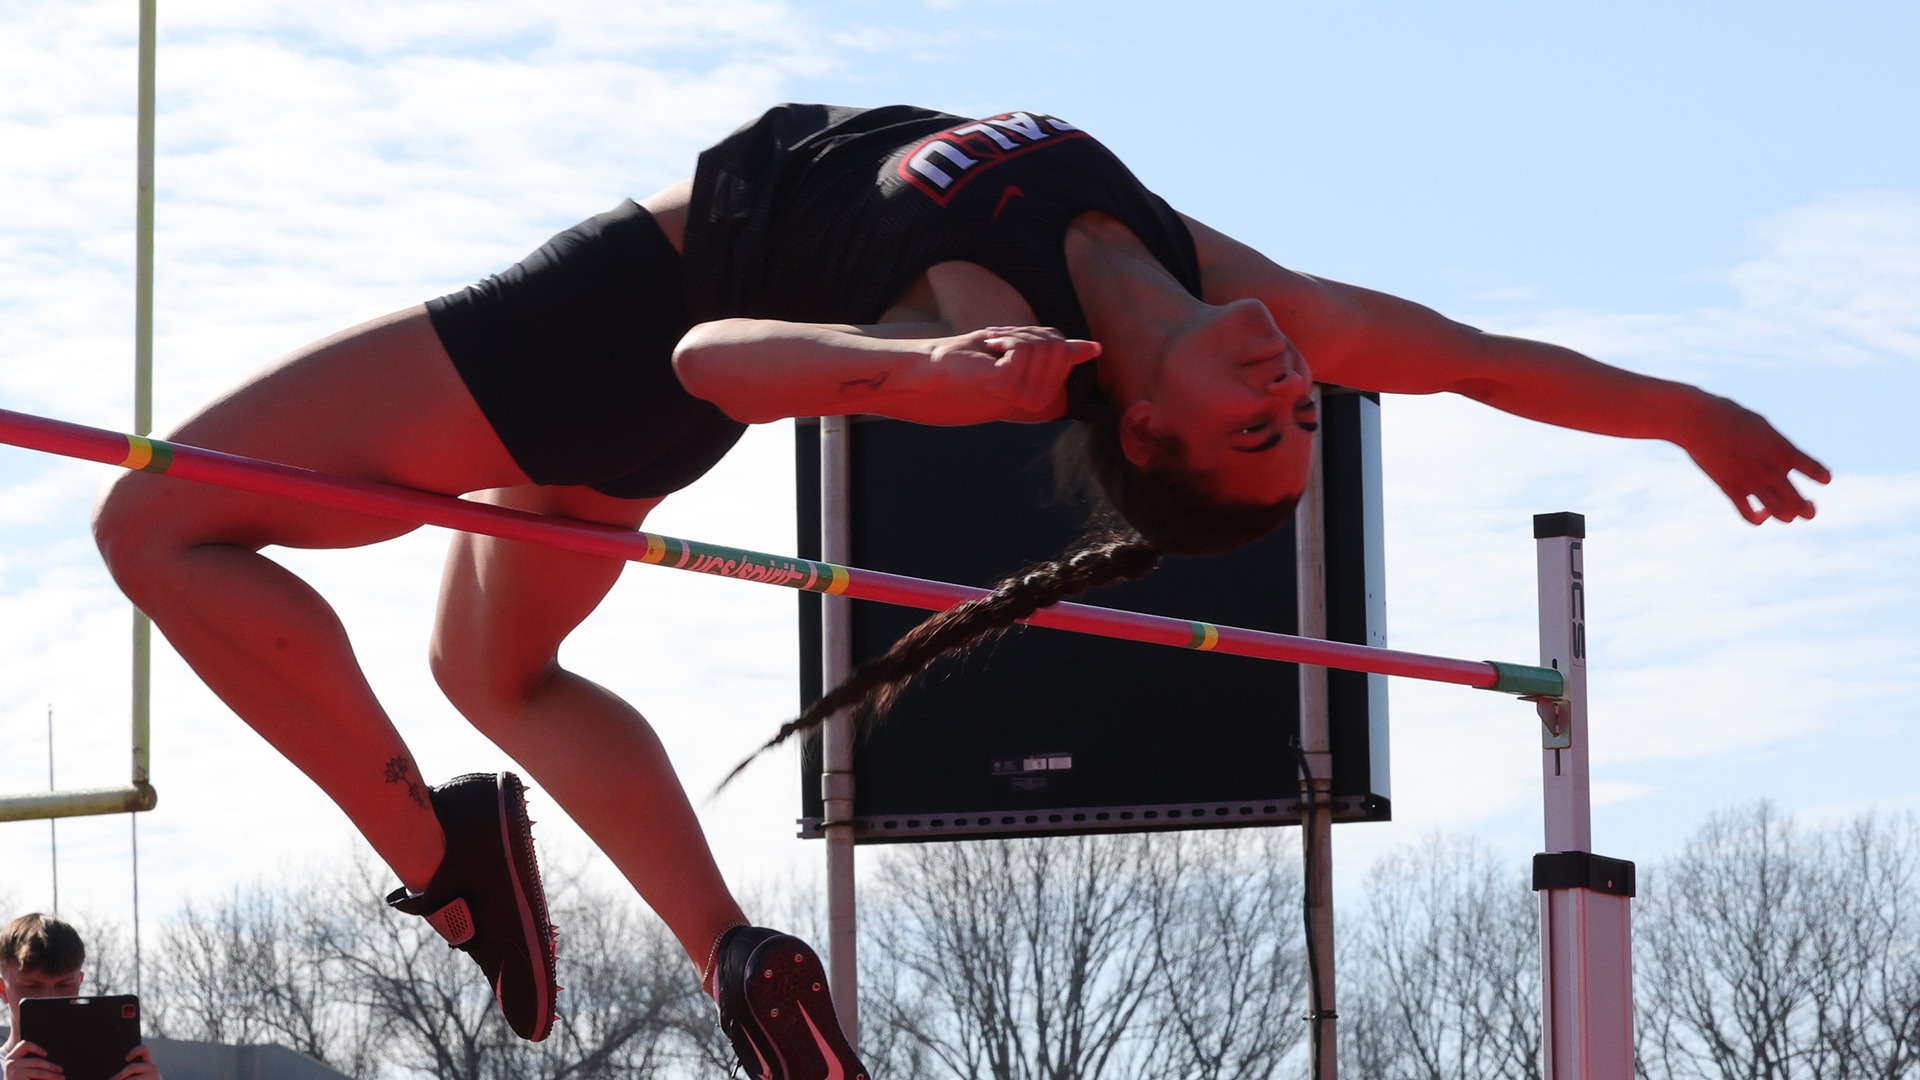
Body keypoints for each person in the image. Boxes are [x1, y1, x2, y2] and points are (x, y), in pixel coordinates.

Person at [90, 103, 1827, 1079]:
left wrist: (920, 373)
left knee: (156, 527)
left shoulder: (992, 333)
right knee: (499, 671)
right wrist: (1690, 410)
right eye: (1300, 415)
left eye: (1261, 426)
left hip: (617, 325)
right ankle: (732, 953)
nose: (1294, 389)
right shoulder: (1219, 274)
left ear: (1144, 426)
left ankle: (439, 860)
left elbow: (708, 359)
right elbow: (1472, 356)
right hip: (634, 395)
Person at [0, 914, 163, 1080]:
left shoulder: (113, 1067)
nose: (49, 997)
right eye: (32, 987)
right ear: (2, 990)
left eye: (63, 985)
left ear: (79, 983)